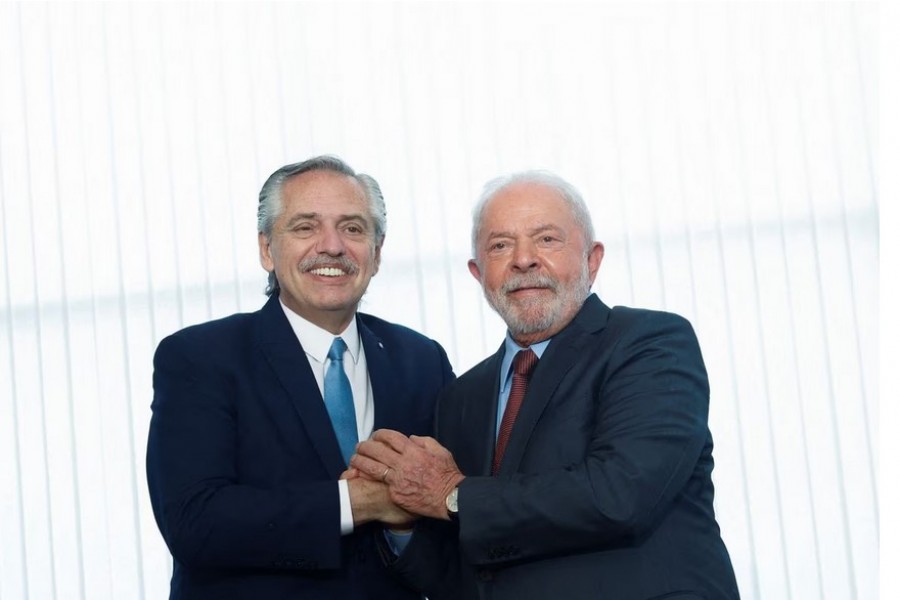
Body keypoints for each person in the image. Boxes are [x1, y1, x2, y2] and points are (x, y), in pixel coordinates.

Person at [350, 170, 740, 599]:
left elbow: (619, 496)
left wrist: (451, 494)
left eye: (547, 239)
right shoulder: (461, 398)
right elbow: (461, 573)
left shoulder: (650, 343)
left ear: (592, 259)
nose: (523, 259)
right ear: (479, 273)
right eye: (500, 245)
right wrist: (403, 520)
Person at [146, 155, 454, 599]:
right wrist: (360, 502)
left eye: (352, 228)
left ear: (377, 252)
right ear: (267, 249)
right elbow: (195, 522)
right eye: (306, 227)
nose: (331, 246)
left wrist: (405, 523)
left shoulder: (421, 360)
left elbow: (449, 529)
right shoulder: (201, 358)